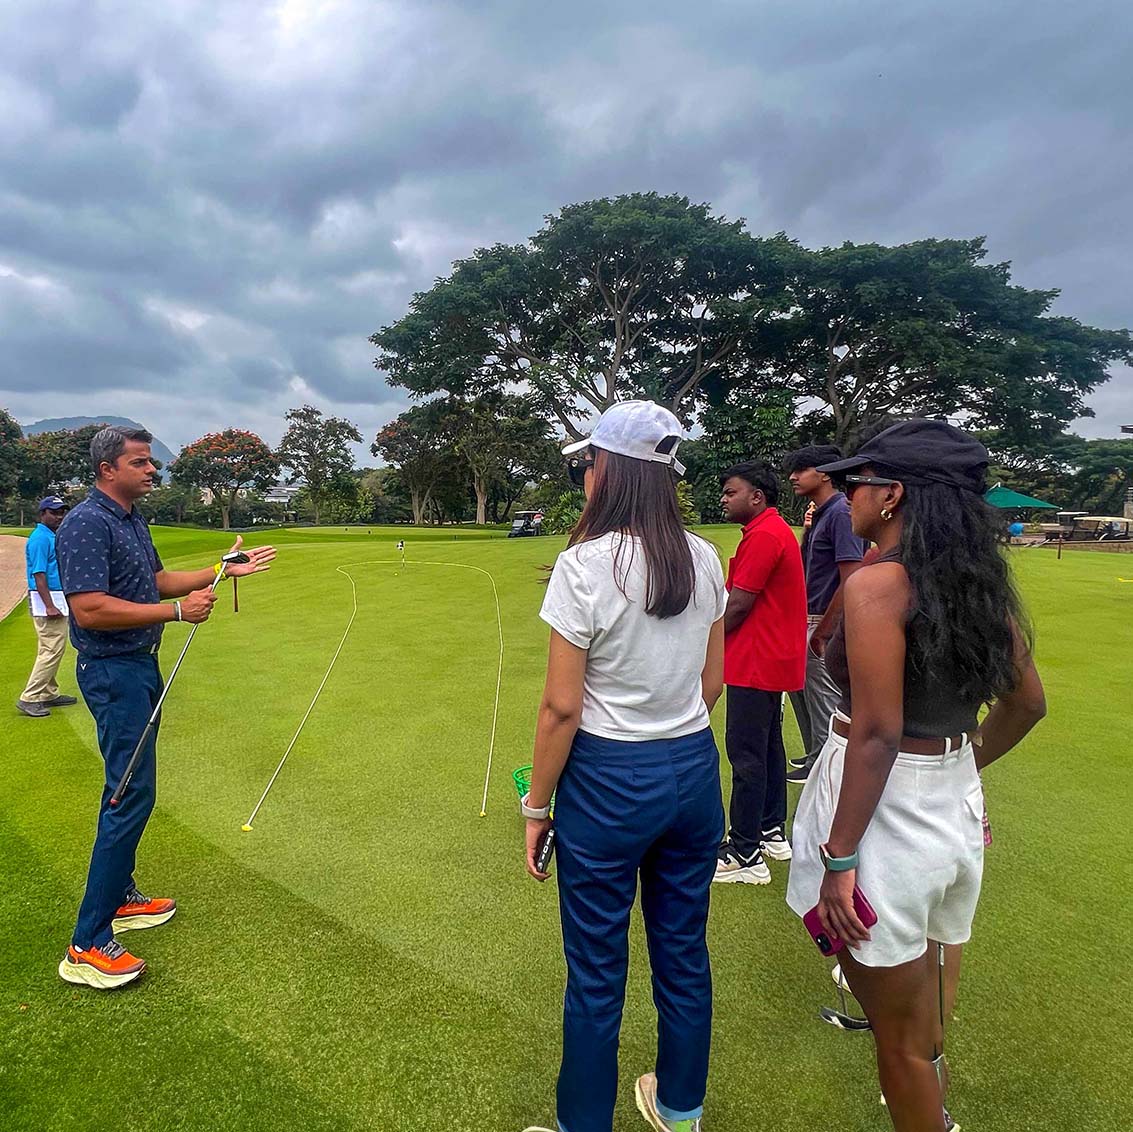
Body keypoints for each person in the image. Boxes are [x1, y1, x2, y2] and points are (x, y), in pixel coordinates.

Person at [786, 420, 1047, 1132]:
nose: (845, 496)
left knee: (898, 1044)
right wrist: (961, 772)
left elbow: (875, 732)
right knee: (926, 1018)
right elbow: (1027, 704)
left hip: (883, 817)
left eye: (854, 483)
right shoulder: (979, 584)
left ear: (892, 494)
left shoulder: (878, 584)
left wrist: (838, 859)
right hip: (949, 805)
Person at [521, 400, 727, 1132]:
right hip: (693, 771)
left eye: (587, 463)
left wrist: (535, 806)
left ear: (607, 470)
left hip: (610, 782)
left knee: (597, 976)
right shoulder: (703, 556)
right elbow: (711, 681)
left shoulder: (584, 565)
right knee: (682, 951)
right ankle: (679, 1108)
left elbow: (559, 710)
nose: (585, 474)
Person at [55, 426, 276, 990]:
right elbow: (90, 610)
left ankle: (121, 895)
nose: (153, 470)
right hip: (112, 673)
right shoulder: (86, 522)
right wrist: (177, 616)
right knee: (128, 794)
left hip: (138, 669)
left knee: (135, 788)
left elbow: (154, 581)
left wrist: (224, 569)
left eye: (151, 461)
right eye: (141, 462)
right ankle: (86, 944)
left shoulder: (130, 520)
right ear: (108, 468)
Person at [713, 461, 806, 884]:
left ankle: (744, 852)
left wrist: (703, 645)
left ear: (757, 496)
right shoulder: (770, 530)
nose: (724, 498)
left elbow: (738, 605)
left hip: (756, 659)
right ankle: (771, 830)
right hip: (772, 658)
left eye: (731, 492)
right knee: (768, 748)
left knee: (746, 754)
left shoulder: (766, 535)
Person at [784, 445, 867, 784]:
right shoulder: (822, 512)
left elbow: (851, 577)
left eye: (801, 469)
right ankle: (815, 754)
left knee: (824, 698)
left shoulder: (839, 513)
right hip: (806, 617)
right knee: (801, 691)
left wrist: (826, 630)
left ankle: (826, 765)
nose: (793, 476)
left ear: (824, 472)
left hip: (823, 620)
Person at [17, 495, 78, 718]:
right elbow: (39, 573)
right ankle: (30, 696)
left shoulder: (50, 536)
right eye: (54, 512)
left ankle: (48, 693)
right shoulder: (40, 538)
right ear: (42, 514)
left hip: (54, 596)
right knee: (52, 649)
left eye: (62, 512)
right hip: (47, 599)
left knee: (50, 647)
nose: (59, 516)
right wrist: (50, 605)